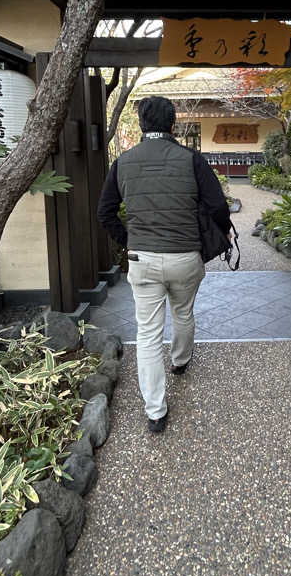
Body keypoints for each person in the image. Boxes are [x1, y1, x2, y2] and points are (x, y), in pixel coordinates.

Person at [97, 95, 231, 434]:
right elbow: (218, 206)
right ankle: (181, 361)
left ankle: (155, 411)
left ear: (142, 124)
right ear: (172, 124)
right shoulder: (191, 159)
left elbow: (105, 213)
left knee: (147, 332)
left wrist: (129, 241)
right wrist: (210, 236)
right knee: (183, 313)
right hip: (186, 256)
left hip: (142, 259)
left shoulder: (123, 162)